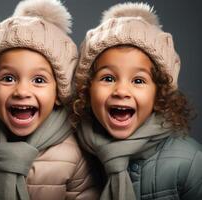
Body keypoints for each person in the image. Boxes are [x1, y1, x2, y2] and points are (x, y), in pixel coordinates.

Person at [0, 0, 99, 199]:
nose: (22, 91)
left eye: (39, 80)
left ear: (59, 94)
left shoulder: (74, 154)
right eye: (8, 78)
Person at [72, 2, 202, 200]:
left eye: (138, 80)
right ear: (87, 88)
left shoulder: (190, 161)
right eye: (108, 78)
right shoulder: (74, 155)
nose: (122, 90)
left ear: (159, 93)